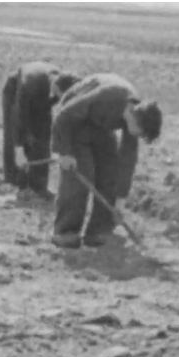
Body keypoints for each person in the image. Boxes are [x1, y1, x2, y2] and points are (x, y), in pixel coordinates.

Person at [48, 73, 162, 249]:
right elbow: (64, 117)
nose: (138, 136)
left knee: (109, 173)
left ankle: (99, 231)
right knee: (80, 175)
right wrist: (64, 153)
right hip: (74, 121)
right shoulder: (107, 96)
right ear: (133, 116)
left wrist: (120, 201)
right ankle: (65, 231)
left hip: (100, 125)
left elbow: (127, 160)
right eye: (140, 132)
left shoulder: (135, 115)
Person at [1, 61, 80, 196]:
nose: (60, 101)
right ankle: (13, 179)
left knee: (43, 138)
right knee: (13, 134)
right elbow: (20, 114)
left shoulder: (66, 81)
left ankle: (39, 186)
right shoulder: (29, 83)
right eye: (60, 97)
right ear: (54, 87)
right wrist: (21, 141)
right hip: (15, 91)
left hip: (41, 99)